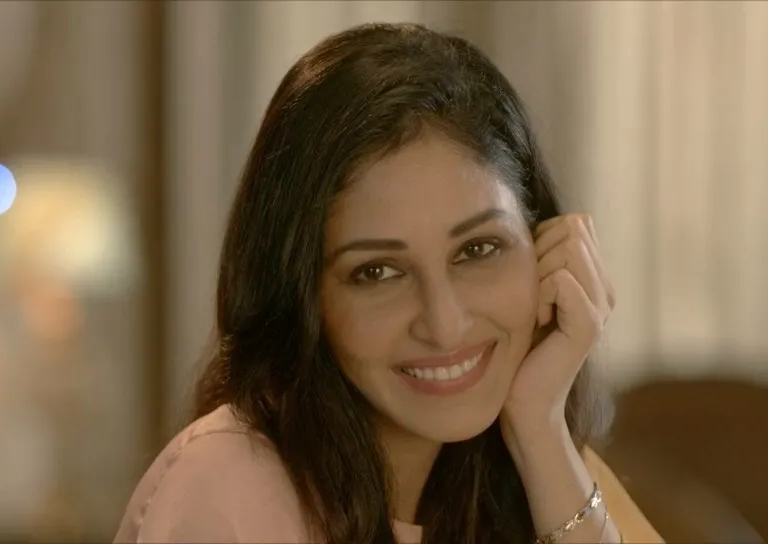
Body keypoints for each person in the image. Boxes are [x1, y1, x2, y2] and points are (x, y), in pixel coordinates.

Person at [115, 23, 663, 544]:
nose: (444, 323)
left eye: (477, 250)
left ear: (541, 247)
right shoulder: (230, 485)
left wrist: (539, 427)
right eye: (377, 272)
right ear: (304, 295)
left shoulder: (539, 473)